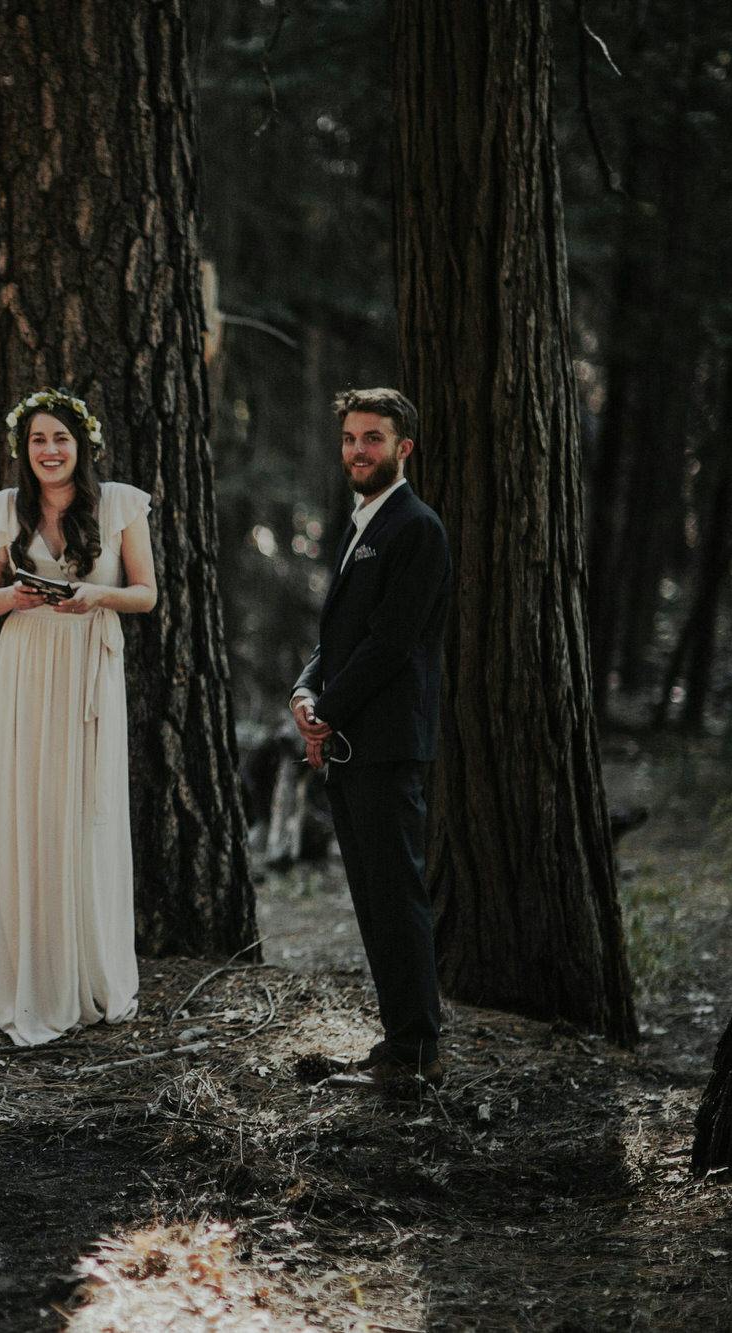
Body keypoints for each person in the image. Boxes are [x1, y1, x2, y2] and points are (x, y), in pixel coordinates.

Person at [0, 388, 157, 1046]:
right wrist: (17, 594)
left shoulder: (120, 505)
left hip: (87, 661)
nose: (48, 450)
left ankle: (91, 972)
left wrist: (93, 595)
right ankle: (36, 974)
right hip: (25, 666)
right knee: (30, 808)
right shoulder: (4, 510)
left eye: (59, 438)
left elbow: (146, 592)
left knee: (85, 811)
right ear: (26, 452)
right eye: (37, 441)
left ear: (81, 446)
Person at [290, 387, 452, 1090]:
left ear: (403, 448)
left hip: (386, 744)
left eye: (373, 438)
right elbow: (340, 635)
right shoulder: (362, 522)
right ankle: (397, 1043)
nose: (359, 449)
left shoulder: (416, 528)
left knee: (397, 897)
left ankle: (417, 1048)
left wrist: (326, 710)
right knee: (372, 898)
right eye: (351, 437)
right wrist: (304, 688)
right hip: (354, 741)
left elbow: (390, 643)